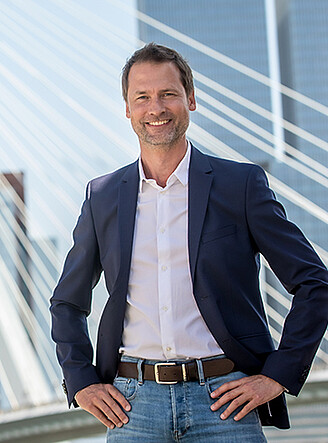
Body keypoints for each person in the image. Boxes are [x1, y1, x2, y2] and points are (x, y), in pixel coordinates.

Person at [50, 43, 328, 442]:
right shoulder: (103, 196)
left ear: (191, 99)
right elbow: (67, 302)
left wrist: (277, 375)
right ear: (127, 109)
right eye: (141, 97)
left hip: (224, 404)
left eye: (168, 94)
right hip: (133, 409)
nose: (155, 108)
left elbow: (315, 284)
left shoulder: (241, 186)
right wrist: (80, 379)